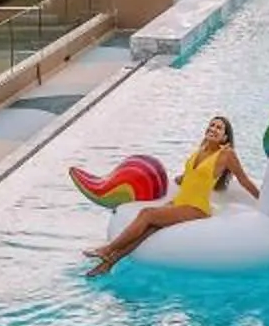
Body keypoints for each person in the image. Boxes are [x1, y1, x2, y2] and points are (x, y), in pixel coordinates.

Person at [85, 113, 257, 274]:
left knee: (147, 214)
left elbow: (244, 180)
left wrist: (262, 199)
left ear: (225, 137)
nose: (213, 129)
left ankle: (107, 249)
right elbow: (192, 176)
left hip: (196, 208)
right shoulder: (201, 151)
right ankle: (108, 264)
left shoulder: (226, 154)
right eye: (211, 125)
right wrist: (180, 179)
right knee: (149, 229)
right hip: (179, 202)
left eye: (219, 128)